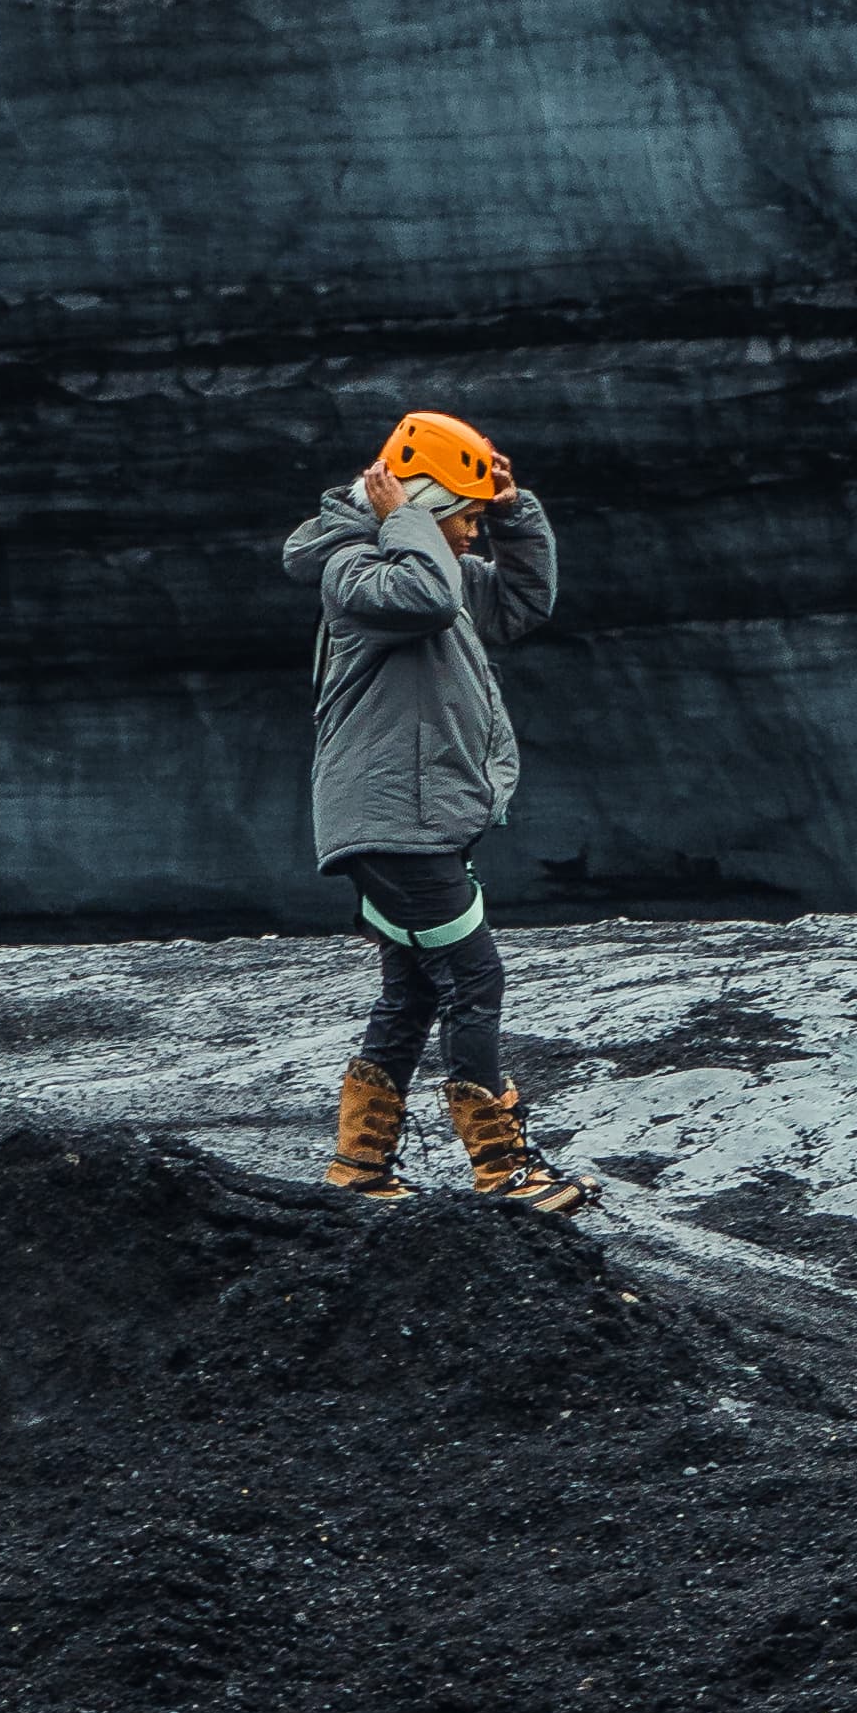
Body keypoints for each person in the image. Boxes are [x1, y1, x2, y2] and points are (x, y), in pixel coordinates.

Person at [281, 412, 591, 1213]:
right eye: (466, 518)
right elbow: (420, 595)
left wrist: (512, 508)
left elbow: (522, 604)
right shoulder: (355, 569)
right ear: (415, 502)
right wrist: (410, 517)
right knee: (474, 977)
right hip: (392, 823)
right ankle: (504, 1173)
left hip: (413, 821)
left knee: (413, 991)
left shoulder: (426, 563)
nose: (469, 536)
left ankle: (359, 1169)